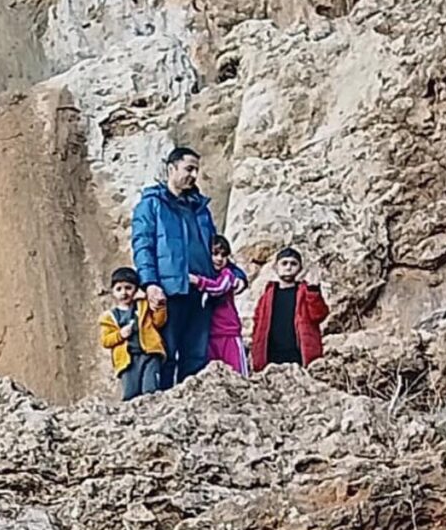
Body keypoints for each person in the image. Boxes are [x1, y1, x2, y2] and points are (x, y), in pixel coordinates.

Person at [132, 146, 220, 382]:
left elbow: (216, 247)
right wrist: (150, 283)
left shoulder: (200, 208)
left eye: (196, 171)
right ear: (171, 168)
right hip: (169, 290)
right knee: (166, 354)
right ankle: (165, 407)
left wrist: (234, 274)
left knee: (196, 356)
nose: (193, 175)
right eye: (188, 168)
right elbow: (143, 246)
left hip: (201, 290)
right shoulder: (151, 205)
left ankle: (192, 409)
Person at [249, 246, 330, 373]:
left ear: (300, 268)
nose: (288, 267)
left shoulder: (306, 292)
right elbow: (257, 323)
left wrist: (314, 291)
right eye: (284, 263)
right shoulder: (267, 295)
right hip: (271, 356)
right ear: (276, 267)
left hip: (299, 356)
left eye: (293, 264)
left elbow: (319, 315)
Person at [100, 266, 170, 401]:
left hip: (149, 353)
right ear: (113, 292)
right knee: (131, 394)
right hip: (127, 360)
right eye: (119, 289)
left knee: (150, 390)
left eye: (128, 288)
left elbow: (159, 322)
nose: (124, 293)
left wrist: (159, 305)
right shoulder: (109, 317)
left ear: (136, 289)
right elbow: (106, 340)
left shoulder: (143, 306)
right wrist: (120, 334)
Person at [193, 237, 248, 372]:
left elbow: (219, 288)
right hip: (209, 333)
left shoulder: (228, 274)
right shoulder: (205, 272)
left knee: (238, 374)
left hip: (229, 332)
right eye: (215, 254)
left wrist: (197, 281)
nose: (219, 259)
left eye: (224, 255)